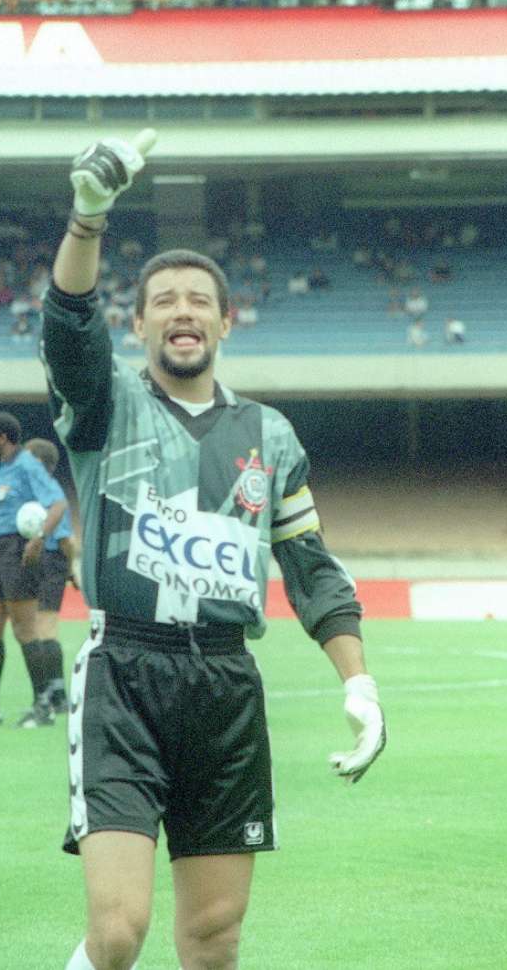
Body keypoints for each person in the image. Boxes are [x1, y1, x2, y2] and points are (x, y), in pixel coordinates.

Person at [42, 132, 386, 970]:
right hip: (125, 673)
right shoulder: (102, 405)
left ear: (227, 321)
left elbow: (310, 567)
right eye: (164, 300)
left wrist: (360, 682)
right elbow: (67, 322)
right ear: (139, 322)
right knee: (119, 933)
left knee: (212, 939)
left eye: (199, 300)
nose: (183, 312)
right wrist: (89, 219)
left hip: (227, 686)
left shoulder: (269, 434)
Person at [0, 411, 62, 729]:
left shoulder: (27, 464)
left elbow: (58, 503)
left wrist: (40, 537)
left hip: (19, 549)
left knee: (24, 630)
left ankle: (43, 706)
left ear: (2, 437)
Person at [23, 438, 76, 714]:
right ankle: (55, 694)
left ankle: (54, 695)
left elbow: (65, 538)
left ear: (39, 462)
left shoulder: (48, 491)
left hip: (47, 559)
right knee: (39, 627)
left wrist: (69, 569)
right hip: (46, 560)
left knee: (43, 627)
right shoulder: (40, 488)